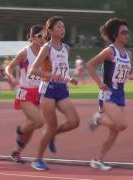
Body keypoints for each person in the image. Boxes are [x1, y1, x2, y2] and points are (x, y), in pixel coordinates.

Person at [30, 16, 80, 171]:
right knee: (52, 125)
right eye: (59, 27)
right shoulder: (47, 48)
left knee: (74, 121)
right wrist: (50, 75)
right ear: (50, 30)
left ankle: (51, 135)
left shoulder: (66, 48)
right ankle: (37, 159)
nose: (62, 29)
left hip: (62, 88)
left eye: (64, 27)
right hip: (48, 89)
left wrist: (69, 78)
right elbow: (34, 70)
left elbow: (62, 68)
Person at [86, 17, 130, 171]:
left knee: (115, 131)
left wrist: (131, 76)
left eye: (127, 32)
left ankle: (97, 160)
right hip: (108, 93)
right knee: (122, 125)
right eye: (124, 32)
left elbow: (121, 72)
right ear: (115, 35)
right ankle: (97, 119)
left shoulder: (128, 53)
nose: (127, 34)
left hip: (120, 93)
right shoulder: (110, 51)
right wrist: (99, 83)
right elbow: (90, 64)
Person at [5, 25, 45, 164]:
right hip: (25, 93)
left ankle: (17, 152)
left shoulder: (45, 52)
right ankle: (20, 130)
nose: (42, 39)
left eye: (45, 36)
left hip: (38, 93)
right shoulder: (25, 52)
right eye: (39, 36)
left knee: (32, 126)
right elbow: (9, 67)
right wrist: (11, 77)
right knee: (38, 122)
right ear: (32, 37)